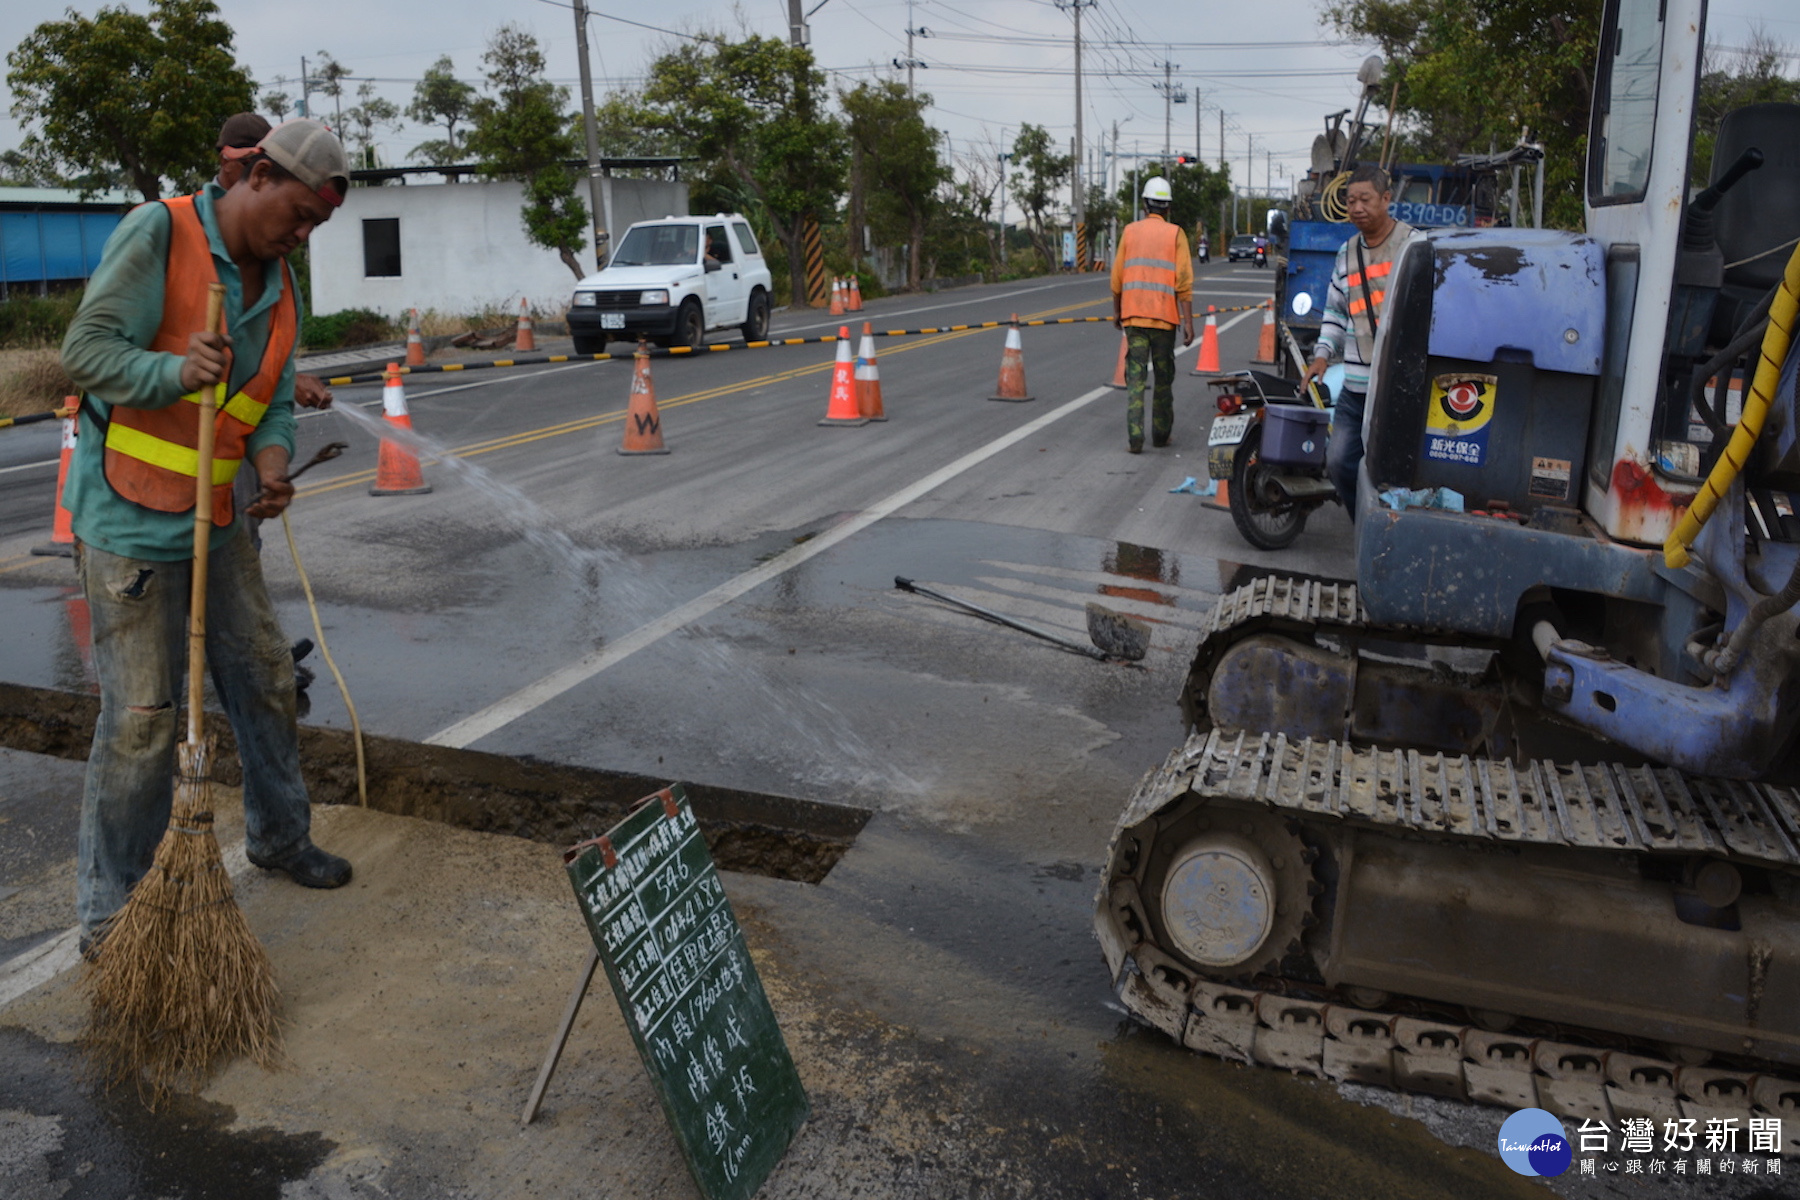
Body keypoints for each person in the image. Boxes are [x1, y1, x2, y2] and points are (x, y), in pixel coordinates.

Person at [62, 118, 355, 952]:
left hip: (219, 518)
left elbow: (273, 400)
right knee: (145, 720)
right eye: (296, 215)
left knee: (263, 676)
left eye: (314, 228)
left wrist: (269, 464)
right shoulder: (162, 232)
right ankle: (110, 916)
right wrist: (170, 371)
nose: (300, 236)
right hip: (128, 519)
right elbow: (84, 349)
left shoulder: (281, 283)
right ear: (255, 175)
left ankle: (280, 837)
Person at [1306, 164, 1416, 518]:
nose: (1356, 208)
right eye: (1350, 200)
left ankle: (1392, 534)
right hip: (1355, 387)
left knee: (1396, 472)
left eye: (1364, 199)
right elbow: (1335, 313)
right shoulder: (1346, 253)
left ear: (1386, 199)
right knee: (1339, 462)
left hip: (1399, 386)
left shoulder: (1414, 247)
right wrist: (1322, 354)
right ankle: (1364, 527)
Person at [1110, 177, 1195, 453]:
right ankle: (1160, 435)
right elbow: (1183, 281)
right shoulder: (1175, 234)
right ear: (1168, 208)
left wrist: (1117, 312)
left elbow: (1116, 279)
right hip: (1165, 320)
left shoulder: (1130, 232)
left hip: (1134, 317)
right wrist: (1189, 323)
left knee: (1135, 378)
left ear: (1145, 204)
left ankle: (1135, 438)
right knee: (1163, 378)